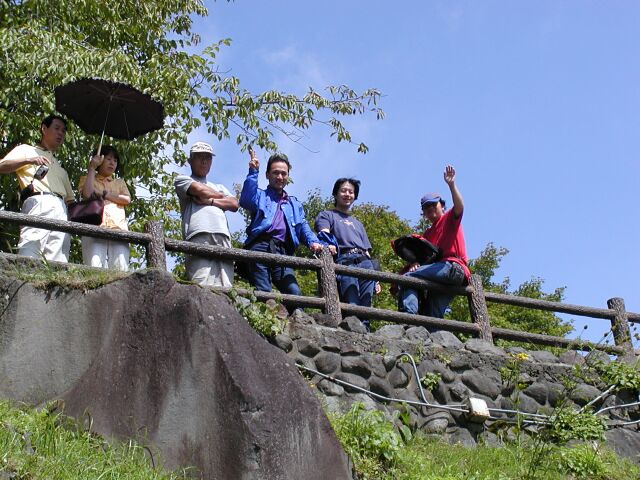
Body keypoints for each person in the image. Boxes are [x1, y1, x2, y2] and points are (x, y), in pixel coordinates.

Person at [239, 150, 323, 295]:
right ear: (267, 175)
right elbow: (246, 200)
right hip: (260, 245)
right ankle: (267, 309)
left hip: (283, 251)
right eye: (275, 173)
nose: (280, 177)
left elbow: (304, 227)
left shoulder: (294, 204)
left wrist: (313, 242)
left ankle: (291, 311)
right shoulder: (260, 195)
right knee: (264, 291)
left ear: (288, 176)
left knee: (294, 293)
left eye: (284, 173)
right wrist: (253, 171)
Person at [399, 165, 470, 318]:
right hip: (442, 274)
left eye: (433, 204)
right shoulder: (427, 235)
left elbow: (459, 206)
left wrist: (451, 185)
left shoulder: (449, 218)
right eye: (426, 207)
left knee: (408, 278)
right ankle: (427, 332)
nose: (430, 208)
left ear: (442, 205)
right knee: (432, 314)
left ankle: (407, 318)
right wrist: (414, 263)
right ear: (423, 213)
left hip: (452, 268)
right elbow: (424, 259)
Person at [0, 114, 74, 262]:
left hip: (61, 208)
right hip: (38, 201)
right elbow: (2, 166)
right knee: (30, 249)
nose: (60, 133)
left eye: (63, 131)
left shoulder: (61, 168)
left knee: (58, 259)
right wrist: (29, 160)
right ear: (44, 129)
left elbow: (70, 200)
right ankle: (23, 276)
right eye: (57, 128)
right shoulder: (27, 150)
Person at [315, 178, 381, 325]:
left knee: (366, 302)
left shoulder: (358, 223)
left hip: (365, 262)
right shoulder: (327, 215)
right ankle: (353, 330)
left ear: (355, 196)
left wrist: (376, 278)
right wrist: (329, 244)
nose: (347, 194)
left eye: (351, 192)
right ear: (335, 194)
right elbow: (324, 235)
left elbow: (367, 251)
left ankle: (365, 331)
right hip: (345, 260)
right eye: (343, 191)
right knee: (351, 301)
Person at [174, 141, 238, 287]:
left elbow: (234, 204)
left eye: (208, 157)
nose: (204, 161)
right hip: (198, 233)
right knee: (200, 282)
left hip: (223, 235)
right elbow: (199, 190)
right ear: (190, 160)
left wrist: (211, 201)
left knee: (225, 284)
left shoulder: (219, 186)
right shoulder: (182, 180)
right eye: (199, 157)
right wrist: (221, 197)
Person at [78, 145, 131, 271]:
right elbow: (87, 193)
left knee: (121, 268)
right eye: (108, 159)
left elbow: (126, 199)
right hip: (94, 227)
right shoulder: (87, 179)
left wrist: (103, 194)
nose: (112, 163)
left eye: (115, 160)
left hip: (118, 228)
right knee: (93, 266)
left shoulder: (119, 182)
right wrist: (92, 167)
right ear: (100, 160)